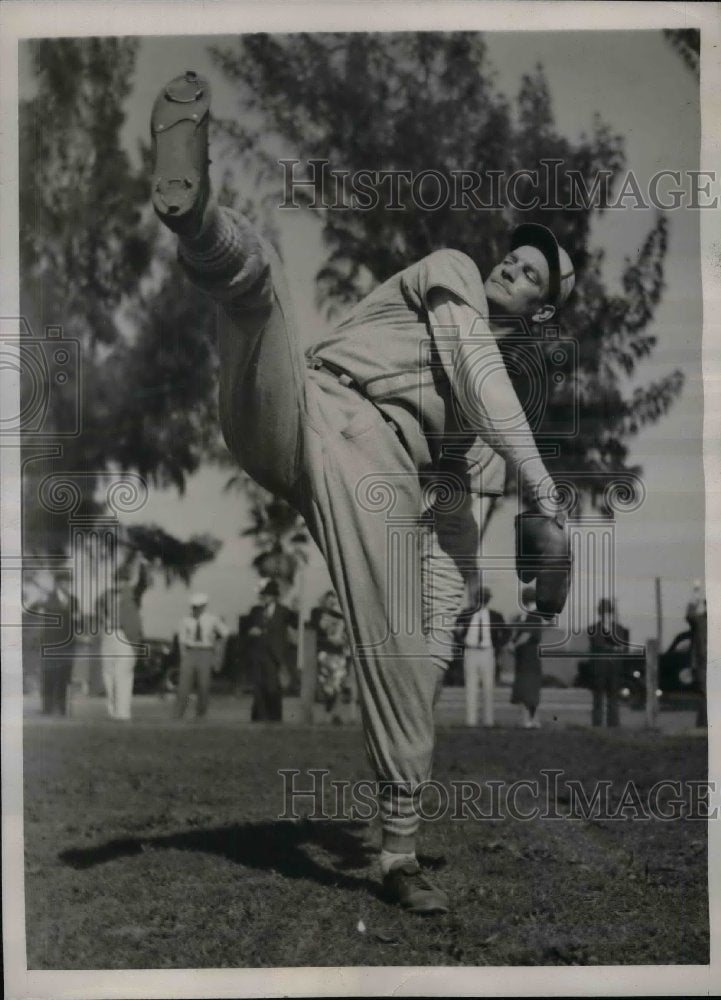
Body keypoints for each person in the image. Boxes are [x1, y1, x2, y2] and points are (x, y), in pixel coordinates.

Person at [149, 71, 573, 913]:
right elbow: (475, 370)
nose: (511, 265)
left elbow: (452, 529)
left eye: (531, 276)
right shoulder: (452, 271)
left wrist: (433, 641)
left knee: (403, 653)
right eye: (516, 255)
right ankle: (194, 216)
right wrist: (548, 501)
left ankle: (396, 856)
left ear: (538, 314)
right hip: (304, 402)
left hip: (373, 469)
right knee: (259, 284)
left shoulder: (475, 421)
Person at [457, 582, 507, 727]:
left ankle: (488, 721)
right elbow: (455, 629)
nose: (482, 599)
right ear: (476, 598)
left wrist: (498, 646)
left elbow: (506, 633)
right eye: (480, 596)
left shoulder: (495, 616)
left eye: (485, 597)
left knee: (488, 687)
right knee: (470, 687)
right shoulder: (466, 613)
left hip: (487, 652)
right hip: (470, 651)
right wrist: (461, 641)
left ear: (488, 599)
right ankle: (471, 721)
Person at [99, 564, 144, 721]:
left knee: (122, 674)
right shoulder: (106, 595)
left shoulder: (133, 594)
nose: (120, 583)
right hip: (108, 635)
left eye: (123, 580)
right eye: (117, 580)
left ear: (128, 581)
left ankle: (123, 712)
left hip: (125, 636)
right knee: (108, 675)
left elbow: (143, 583)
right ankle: (112, 710)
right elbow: (99, 609)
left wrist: (143, 565)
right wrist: (103, 620)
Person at [175, 593, 230, 720]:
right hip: (190, 651)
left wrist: (218, 651)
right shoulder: (185, 620)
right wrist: (183, 656)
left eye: (199, 606)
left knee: (203, 684)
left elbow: (225, 633)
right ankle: (178, 714)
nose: (196, 609)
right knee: (183, 686)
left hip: (205, 652)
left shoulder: (212, 619)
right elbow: (182, 640)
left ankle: (201, 714)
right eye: (194, 607)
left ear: (204, 606)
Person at [245, 580, 293, 722]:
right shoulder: (256, 611)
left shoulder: (284, 611)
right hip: (258, 654)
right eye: (263, 595)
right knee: (258, 687)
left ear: (274, 596)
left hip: (274, 655)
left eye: (268, 595)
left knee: (273, 688)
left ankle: (275, 717)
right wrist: (252, 632)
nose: (265, 598)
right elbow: (247, 629)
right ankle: (260, 717)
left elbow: (293, 627)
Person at [587, 597, 630, 728]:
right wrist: (614, 648)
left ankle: (614, 725)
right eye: (604, 612)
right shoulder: (593, 629)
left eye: (608, 612)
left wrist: (617, 648)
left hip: (615, 669)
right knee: (598, 699)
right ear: (600, 614)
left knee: (614, 699)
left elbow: (625, 647)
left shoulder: (620, 629)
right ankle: (597, 725)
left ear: (612, 613)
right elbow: (599, 644)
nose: (606, 615)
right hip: (599, 669)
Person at [311, 590, 353, 724]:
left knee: (336, 684)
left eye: (333, 601)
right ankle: (331, 713)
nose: (331, 604)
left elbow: (345, 637)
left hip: (338, 654)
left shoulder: (343, 617)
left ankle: (333, 714)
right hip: (325, 653)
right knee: (328, 685)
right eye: (329, 601)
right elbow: (318, 627)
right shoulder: (318, 613)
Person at [510, 585, 546, 728]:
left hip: (528, 657)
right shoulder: (527, 616)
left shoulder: (533, 616)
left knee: (527, 689)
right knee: (529, 689)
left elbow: (526, 636)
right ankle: (532, 720)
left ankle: (529, 720)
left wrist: (513, 645)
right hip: (525, 658)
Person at [39, 577, 76, 717]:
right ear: (57, 584)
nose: (66, 585)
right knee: (49, 675)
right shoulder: (49, 599)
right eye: (63, 582)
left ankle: (62, 707)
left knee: (64, 676)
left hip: (68, 644)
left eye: (68, 582)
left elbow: (75, 621)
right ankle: (47, 707)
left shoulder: (73, 600)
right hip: (51, 644)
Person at [686, 581, 707, 728]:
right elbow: (690, 615)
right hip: (704, 664)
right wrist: (696, 593)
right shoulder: (700, 621)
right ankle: (703, 725)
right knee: (705, 695)